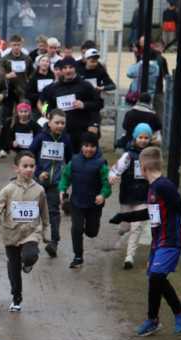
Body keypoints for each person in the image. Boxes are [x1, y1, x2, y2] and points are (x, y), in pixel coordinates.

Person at [110, 147, 181, 336]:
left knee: (156, 277)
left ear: (142, 167)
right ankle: (153, 320)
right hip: (158, 242)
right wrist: (123, 216)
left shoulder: (164, 186)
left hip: (171, 240)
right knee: (155, 279)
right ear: (161, 164)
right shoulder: (154, 187)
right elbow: (151, 213)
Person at [0, 150, 48, 312]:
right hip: (11, 235)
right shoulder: (8, 189)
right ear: (16, 168)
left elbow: (44, 214)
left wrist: (46, 233)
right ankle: (16, 297)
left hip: (31, 232)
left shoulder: (39, 190)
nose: (29, 169)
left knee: (30, 256)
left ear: (35, 168)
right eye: (25, 166)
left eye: (32, 166)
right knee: (14, 268)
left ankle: (28, 263)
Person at [57, 130, 111, 268]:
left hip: (94, 204)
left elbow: (107, 184)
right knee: (76, 229)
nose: (89, 149)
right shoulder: (74, 161)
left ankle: (90, 230)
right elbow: (65, 177)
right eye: (86, 145)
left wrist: (103, 195)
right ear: (81, 146)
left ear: (97, 147)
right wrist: (62, 189)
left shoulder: (101, 164)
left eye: (92, 146)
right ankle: (78, 256)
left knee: (91, 233)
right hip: (77, 202)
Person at [108, 123, 154, 269]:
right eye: (140, 137)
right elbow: (116, 169)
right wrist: (112, 175)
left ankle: (130, 256)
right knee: (126, 227)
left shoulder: (152, 155)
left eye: (146, 138)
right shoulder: (128, 155)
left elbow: (156, 173)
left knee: (137, 226)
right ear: (135, 137)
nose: (143, 140)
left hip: (143, 197)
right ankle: (122, 228)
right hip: (127, 196)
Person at [29, 108, 72, 258]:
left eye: (63, 123)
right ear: (49, 123)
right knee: (34, 211)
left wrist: (68, 178)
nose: (60, 126)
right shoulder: (41, 138)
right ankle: (30, 242)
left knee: (53, 211)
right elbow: (30, 156)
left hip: (56, 182)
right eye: (57, 122)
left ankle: (53, 242)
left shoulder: (66, 139)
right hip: (38, 182)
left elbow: (70, 159)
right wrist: (39, 172)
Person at [43, 55, 102, 153]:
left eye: (71, 67)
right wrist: (49, 113)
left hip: (81, 131)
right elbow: (49, 105)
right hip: (62, 131)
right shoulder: (54, 88)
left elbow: (99, 103)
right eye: (65, 68)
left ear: (75, 68)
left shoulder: (85, 85)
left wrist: (84, 105)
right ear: (61, 70)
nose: (68, 70)